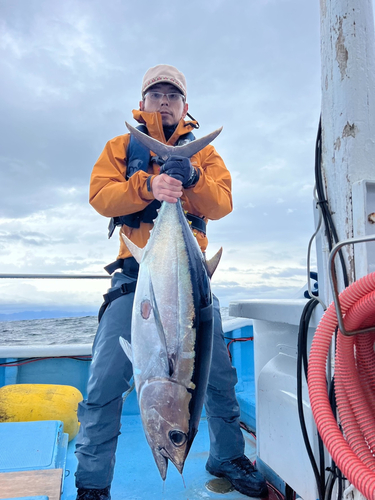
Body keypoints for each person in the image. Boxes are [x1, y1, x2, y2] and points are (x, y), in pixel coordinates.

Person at [75, 64, 268, 500]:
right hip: (134, 280)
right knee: (105, 381)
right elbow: (101, 195)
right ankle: (92, 483)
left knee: (218, 373)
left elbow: (222, 203)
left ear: (185, 105)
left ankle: (227, 456)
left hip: (190, 282)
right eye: (156, 93)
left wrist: (193, 177)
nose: (164, 101)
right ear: (142, 101)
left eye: (173, 95)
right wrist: (150, 184)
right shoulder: (120, 146)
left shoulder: (203, 154)